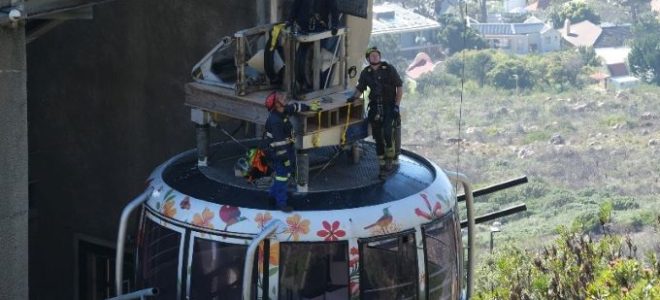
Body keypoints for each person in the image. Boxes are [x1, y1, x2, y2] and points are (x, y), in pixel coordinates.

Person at [347, 47, 403, 178]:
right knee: (377, 135)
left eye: (376, 55)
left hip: (389, 105)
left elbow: (399, 86)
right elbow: (360, 88)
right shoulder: (366, 73)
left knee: (388, 132)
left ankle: (391, 159)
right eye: (371, 56)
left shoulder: (389, 69)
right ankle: (382, 161)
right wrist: (353, 98)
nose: (374, 57)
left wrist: (396, 106)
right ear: (368, 58)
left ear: (379, 56)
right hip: (375, 106)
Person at [264, 91, 320, 212]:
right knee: (282, 177)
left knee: (282, 176)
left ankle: (272, 197)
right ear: (276, 104)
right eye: (280, 98)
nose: (284, 98)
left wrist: (310, 107)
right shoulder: (275, 121)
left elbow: (295, 107)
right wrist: (285, 160)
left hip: (286, 149)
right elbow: (279, 144)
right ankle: (281, 204)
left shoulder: (282, 111)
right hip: (279, 153)